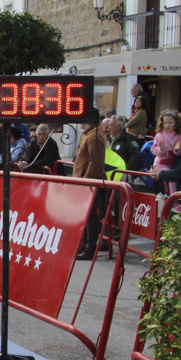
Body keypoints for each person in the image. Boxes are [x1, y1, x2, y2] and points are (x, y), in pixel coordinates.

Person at [73, 110, 110, 260]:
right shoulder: (90, 135)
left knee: (91, 216)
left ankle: (90, 248)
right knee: (87, 216)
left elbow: (95, 162)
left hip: (88, 182)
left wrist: (86, 180)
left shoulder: (94, 137)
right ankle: (84, 245)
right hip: (84, 181)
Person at [150, 111, 181, 175]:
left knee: (173, 177)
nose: (167, 125)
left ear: (176, 123)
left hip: (173, 163)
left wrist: (177, 149)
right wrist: (161, 149)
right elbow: (153, 149)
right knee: (171, 179)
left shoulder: (178, 136)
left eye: (170, 123)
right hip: (161, 163)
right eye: (165, 123)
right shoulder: (159, 136)